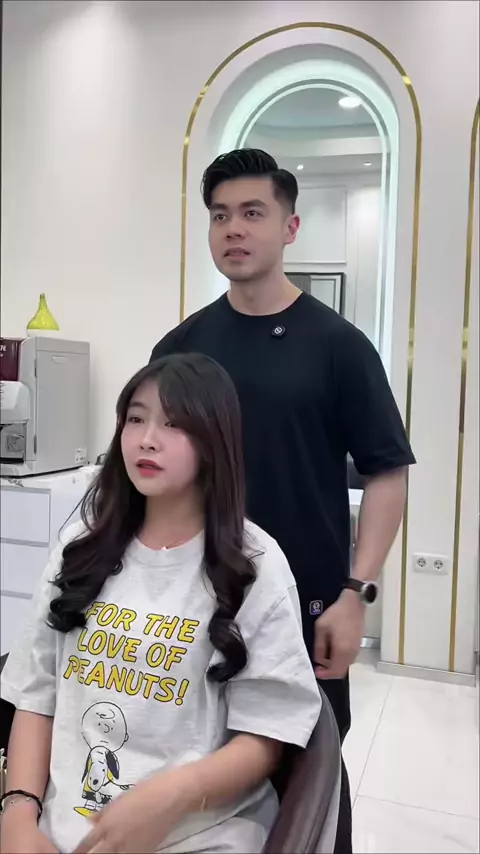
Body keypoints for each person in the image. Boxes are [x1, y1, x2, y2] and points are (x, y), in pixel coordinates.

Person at [150, 149, 416, 853]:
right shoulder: (182, 346)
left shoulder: (338, 346)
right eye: (220, 216)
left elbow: (388, 472)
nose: (234, 229)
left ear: (290, 227)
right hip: (197, 599)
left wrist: (356, 592)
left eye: (252, 213)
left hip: (307, 604)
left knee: (305, 774)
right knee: (201, 766)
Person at [0, 353, 321, 854]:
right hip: (63, 833)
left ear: (214, 441)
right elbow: (36, 695)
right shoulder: (81, 548)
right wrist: (19, 814)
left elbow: (269, 732)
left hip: (199, 834)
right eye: (136, 418)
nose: (147, 439)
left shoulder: (253, 565)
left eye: (174, 424)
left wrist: (174, 795)